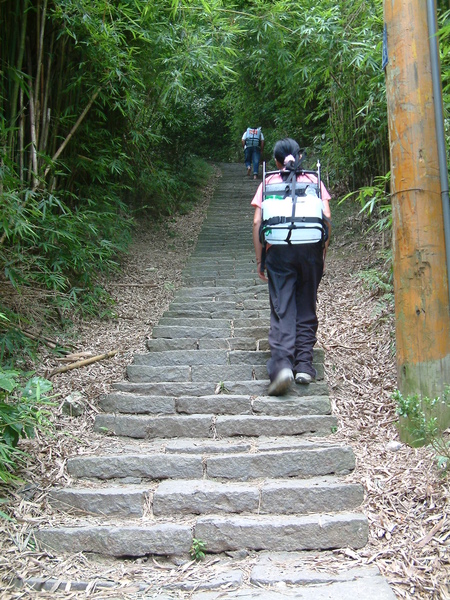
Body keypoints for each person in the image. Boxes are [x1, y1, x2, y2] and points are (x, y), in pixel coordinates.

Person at [251, 138, 332, 396]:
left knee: (283, 307)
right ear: (298, 157)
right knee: (307, 304)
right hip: (311, 250)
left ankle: (282, 366)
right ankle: (304, 365)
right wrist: (323, 250)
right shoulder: (314, 181)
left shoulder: (268, 181)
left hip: (279, 253)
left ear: (276, 162)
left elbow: (257, 223)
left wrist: (260, 259)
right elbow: (326, 217)